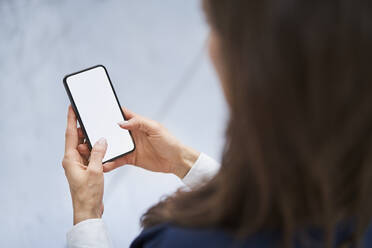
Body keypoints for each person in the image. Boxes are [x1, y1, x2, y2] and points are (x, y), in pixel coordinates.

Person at [62, 0, 372, 247]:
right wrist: (184, 162)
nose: (210, 46)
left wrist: (86, 218)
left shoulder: (179, 242)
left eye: (215, 26)